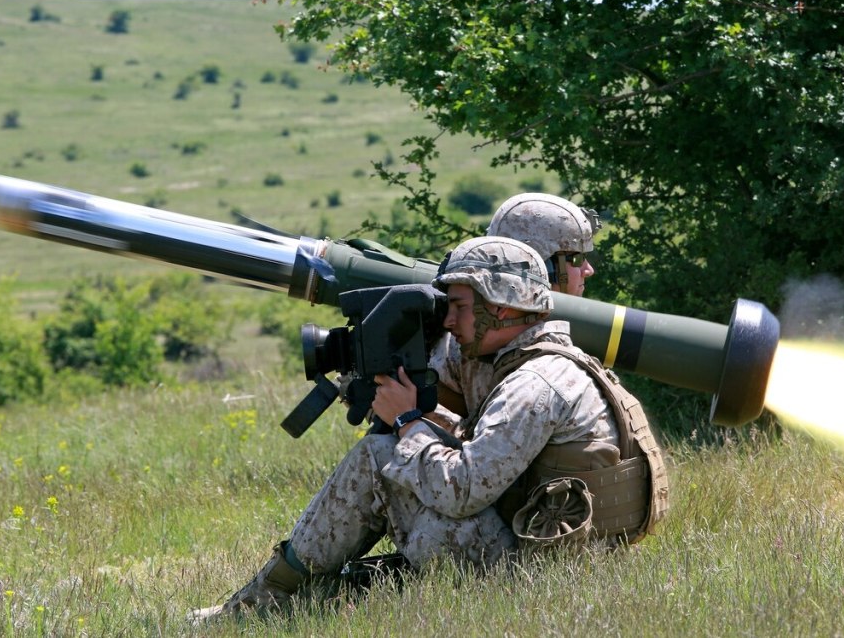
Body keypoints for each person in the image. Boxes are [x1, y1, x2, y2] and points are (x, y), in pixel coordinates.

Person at [190, 236, 668, 623]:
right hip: (563, 560)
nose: (449, 320)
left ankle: (256, 608)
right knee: (389, 453)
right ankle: (310, 592)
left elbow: (463, 490)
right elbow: (483, 452)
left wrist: (407, 422)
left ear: (501, 307)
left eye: (459, 306)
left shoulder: (535, 384)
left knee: (378, 460)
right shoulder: (526, 361)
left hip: (541, 578)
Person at [430, 192, 601, 420]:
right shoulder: (464, 344)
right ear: (543, 263)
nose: (588, 270)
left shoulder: (471, 330)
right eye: (577, 259)